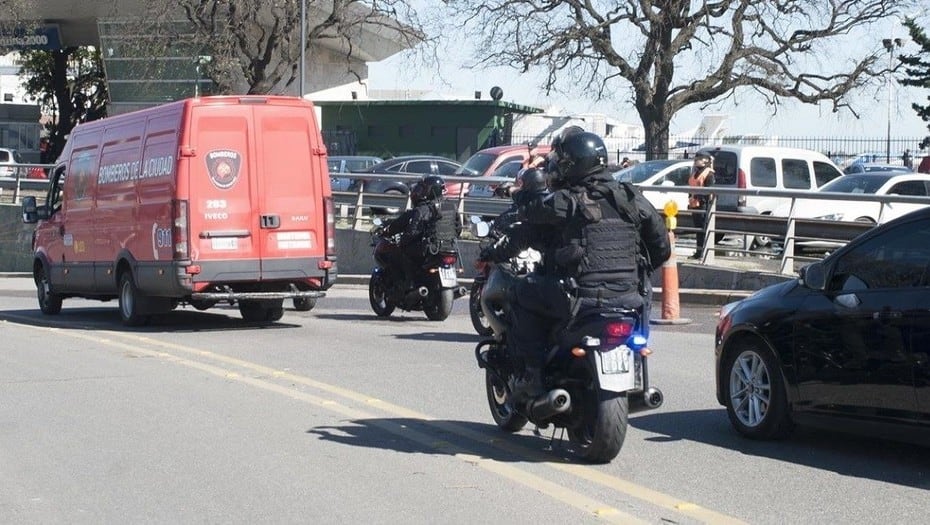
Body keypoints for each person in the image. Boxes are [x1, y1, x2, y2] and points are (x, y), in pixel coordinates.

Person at [486, 129, 671, 401]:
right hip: (629, 300)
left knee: (521, 292)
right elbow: (661, 249)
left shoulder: (570, 200)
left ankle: (532, 375)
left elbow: (534, 211)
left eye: (561, 162)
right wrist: (632, 272)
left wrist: (521, 193)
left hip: (579, 299)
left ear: (572, 165)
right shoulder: (631, 198)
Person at [380, 175, 460, 288]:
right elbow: (458, 229)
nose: (419, 192)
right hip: (449, 248)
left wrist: (402, 241)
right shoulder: (451, 207)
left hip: (428, 249)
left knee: (399, 252)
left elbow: (412, 232)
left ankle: (408, 283)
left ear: (429, 191)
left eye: (422, 189)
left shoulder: (422, 209)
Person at [687, 152, 715, 259]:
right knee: (698, 230)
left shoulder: (709, 174)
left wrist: (698, 196)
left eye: (699, 158)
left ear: (706, 161)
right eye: (696, 158)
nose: (696, 160)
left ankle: (703, 253)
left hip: (703, 205)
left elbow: (709, 191)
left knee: (703, 229)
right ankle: (698, 252)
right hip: (694, 205)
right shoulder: (695, 172)